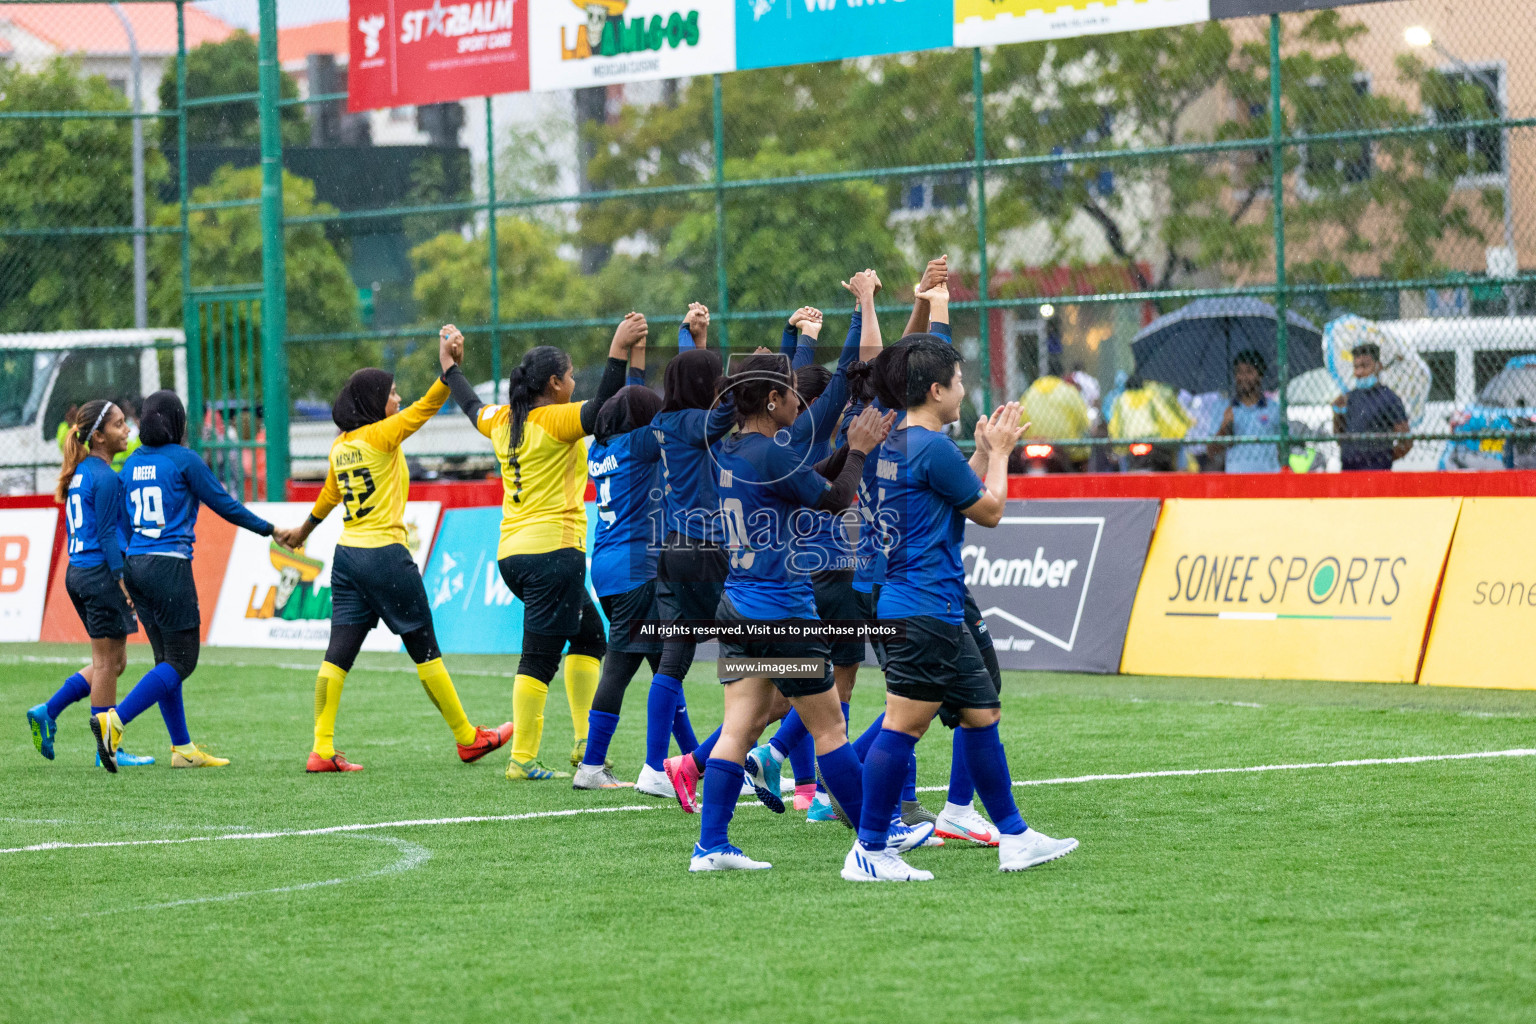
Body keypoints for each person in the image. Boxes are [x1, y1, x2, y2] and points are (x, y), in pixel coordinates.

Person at [844, 337, 1078, 882]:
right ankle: (870, 850)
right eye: (958, 380)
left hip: (921, 605)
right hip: (923, 606)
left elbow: (950, 489)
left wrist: (977, 453)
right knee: (902, 727)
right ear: (935, 390)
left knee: (981, 714)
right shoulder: (929, 448)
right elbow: (989, 509)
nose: (963, 389)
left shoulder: (896, 442)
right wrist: (999, 455)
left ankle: (1015, 837)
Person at [688, 352, 895, 872]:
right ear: (774, 400)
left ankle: (710, 845)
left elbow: (800, 481)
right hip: (782, 614)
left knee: (740, 728)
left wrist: (846, 448)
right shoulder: (771, 454)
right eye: (790, 392)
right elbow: (835, 498)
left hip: (737, 610)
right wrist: (861, 452)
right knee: (830, 731)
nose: (799, 401)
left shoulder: (732, 448)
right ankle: (873, 845)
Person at [275, 330, 512, 773]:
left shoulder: (341, 446)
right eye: (391, 393)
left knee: (337, 654)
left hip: (348, 558)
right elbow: (425, 409)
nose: (398, 398)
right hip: (385, 555)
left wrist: (302, 530)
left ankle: (321, 748)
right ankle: (467, 738)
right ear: (372, 404)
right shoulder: (381, 436)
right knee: (425, 648)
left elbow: (330, 495)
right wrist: (448, 371)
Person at [444, 315, 647, 780]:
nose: (575, 382)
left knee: (590, 635)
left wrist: (450, 369)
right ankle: (523, 760)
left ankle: (582, 742)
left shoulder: (502, 420)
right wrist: (617, 351)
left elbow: (470, 403)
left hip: (513, 554)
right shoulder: (556, 420)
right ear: (554, 384)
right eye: (571, 375)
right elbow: (602, 412)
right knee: (538, 657)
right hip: (553, 555)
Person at [89, 391, 277, 771]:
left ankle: (182, 749)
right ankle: (116, 719)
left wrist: (128, 565)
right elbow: (225, 504)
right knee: (182, 660)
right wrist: (270, 529)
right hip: (169, 566)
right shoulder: (185, 460)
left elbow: (120, 525)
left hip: (136, 564)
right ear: (176, 422)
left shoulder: (129, 466)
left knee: (165, 660)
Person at [26, 400, 154, 768]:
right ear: (98, 436)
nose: (127, 428)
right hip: (100, 575)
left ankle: (48, 711)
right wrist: (123, 582)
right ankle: (107, 750)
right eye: (118, 424)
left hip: (77, 573)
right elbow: (108, 537)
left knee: (114, 663)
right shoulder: (106, 476)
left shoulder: (82, 471)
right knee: (105, 663)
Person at [1332, 342, 1410, 471]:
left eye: (1364, 366)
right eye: (1356, 367)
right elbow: (1339, 438)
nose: (1359, 372)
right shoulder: (1350, 397)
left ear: (1378, 366)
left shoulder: (1389, 398)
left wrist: (1384, 459)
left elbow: (1406, 441)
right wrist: (1337, 413)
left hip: (1376, 471)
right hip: (1349, 470)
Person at [1213, 350, 1281, 473]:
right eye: (1239, 372)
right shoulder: (1224, 408)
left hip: (1268, 479)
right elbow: (1212, 452)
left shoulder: (1274, 408)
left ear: (1260, 375)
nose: (1243, 377)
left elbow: (1284, 448)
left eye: (1249, 371)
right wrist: (1225, 426)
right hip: (1236, 481)